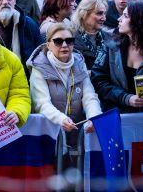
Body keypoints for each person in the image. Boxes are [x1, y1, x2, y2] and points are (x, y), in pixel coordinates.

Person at [27, 23, 102, 164]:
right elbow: (41, 103)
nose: (65, 45)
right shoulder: (38, 67)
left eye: (69, 40)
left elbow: (89, 96)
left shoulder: (80, 63)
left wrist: (94, 117)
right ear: (48, 44)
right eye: (58, 41)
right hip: (50, 136)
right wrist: (61, 119)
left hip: (77, 134)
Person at [73, 0, 110, 70]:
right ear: (84, 14)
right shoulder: (70, 39)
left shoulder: (109, 38)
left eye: (104, 13)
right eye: (99, 13)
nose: (104, 18)